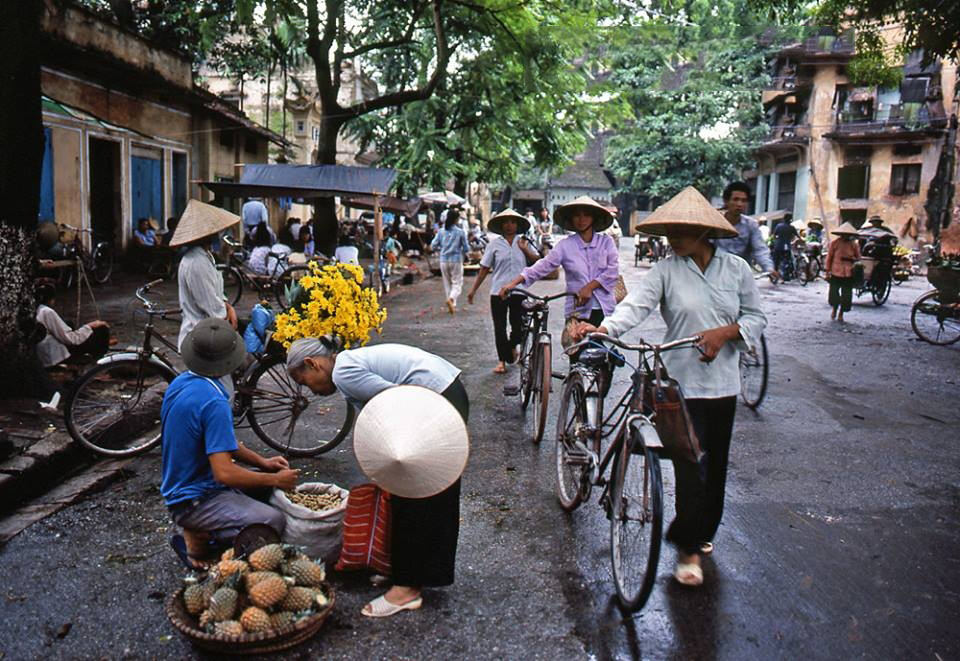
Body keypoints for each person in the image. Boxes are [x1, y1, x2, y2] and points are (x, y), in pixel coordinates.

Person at [572, 186, 767, 587]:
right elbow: (637, 304)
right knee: (688, 463)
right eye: (669, 232)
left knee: (714, 467)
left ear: (701, 232)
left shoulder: (736, 270)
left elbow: (756, 318)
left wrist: (726, 332)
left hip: (724, 384)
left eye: (680, 231)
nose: (671, 238)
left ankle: (701, 531)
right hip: (680, 385)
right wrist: (605, 328)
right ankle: (689, 548)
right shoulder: (665, 270)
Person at [285, 337, 468, 617]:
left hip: (437, 397)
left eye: (306, 381)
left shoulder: (344, 373)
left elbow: (399, 402)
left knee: (417, 491)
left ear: (313, 363)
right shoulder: (347, 365)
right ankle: (409, 571)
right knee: (417, 488)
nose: (310, 389)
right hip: (443, 390)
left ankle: (407, 588)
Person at [162, 318, 297, 569]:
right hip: (194, 500)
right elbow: (224, 472)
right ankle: (202, 540)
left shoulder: (180, 383)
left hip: (187, 489)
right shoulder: (214, 402)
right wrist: (275, 479)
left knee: (268, 491)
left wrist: (263, 462)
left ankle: (205, 531)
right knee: (273, 520)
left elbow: (224, 442)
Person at [499, 195, 619, 329]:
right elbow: (543, 266)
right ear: (571, 219)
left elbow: (612, 272)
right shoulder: (565, 245)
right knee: (576, 348)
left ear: (594, 218)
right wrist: (513, 283)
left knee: (604, 348)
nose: (581, 220)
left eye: (586, 215)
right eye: (577, 215)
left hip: (604, 309)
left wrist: (589, 287)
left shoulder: (606, 242)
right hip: (577, 311)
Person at [467, 210, 541, 374]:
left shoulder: (523, 242)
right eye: (506, 222)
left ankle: (512, 345)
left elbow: (537, 262)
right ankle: (502, 360)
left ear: (517, 225)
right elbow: (484, 268)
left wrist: (525, 249)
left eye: (512, 222)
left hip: (519, 291)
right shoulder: (494, 244)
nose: (509, 225)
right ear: (501, 225)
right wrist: (473, 290)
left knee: (518, 325)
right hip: (498, 291)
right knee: (499, 328)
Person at [169, 199, 239, 352]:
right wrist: (227, 314)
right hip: (201, 338)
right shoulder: (196, 262)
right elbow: (211, 306)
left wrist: (228, 306)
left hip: (208, 332)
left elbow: (216, 292)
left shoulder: (206, 256)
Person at [34, 282, 110, 368]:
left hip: (45, 349)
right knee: (102, 329)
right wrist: (90, 326)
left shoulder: (35, 309)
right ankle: (98, 365)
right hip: (53, 354)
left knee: (68, 323)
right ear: (51, 299)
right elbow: (71, 339)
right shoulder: (46, 312)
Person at [714, 181, 778, 279]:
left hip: (740, 275)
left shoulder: (751, 225)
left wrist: (769, 268)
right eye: (735, 199)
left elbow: (760, 249)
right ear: (726, 201)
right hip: (716, 273)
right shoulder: (714, 222)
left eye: (744, 201)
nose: (739, 204)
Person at [430, 208, 471, 314]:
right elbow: (466, 248)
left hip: (443, 260)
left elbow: (433, 245)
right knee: (457, 283)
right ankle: (452, 299)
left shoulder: (441, 231)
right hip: (456, 260)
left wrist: (441, 248)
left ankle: (452, 303)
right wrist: (465, 253)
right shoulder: (460, 232)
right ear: (456, 219)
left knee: (447, 283)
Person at [824, 222, 862, 322]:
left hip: (849, 272)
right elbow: (829, 258)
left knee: (846, 294)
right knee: (834, 293)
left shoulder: (854, 245)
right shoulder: (834, 243)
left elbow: (858, 257)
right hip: (836, 271)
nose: (846, 236)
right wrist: (827, 271)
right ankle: (834, 309)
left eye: (848, 234)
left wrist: (853, 259)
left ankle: (841, 313)